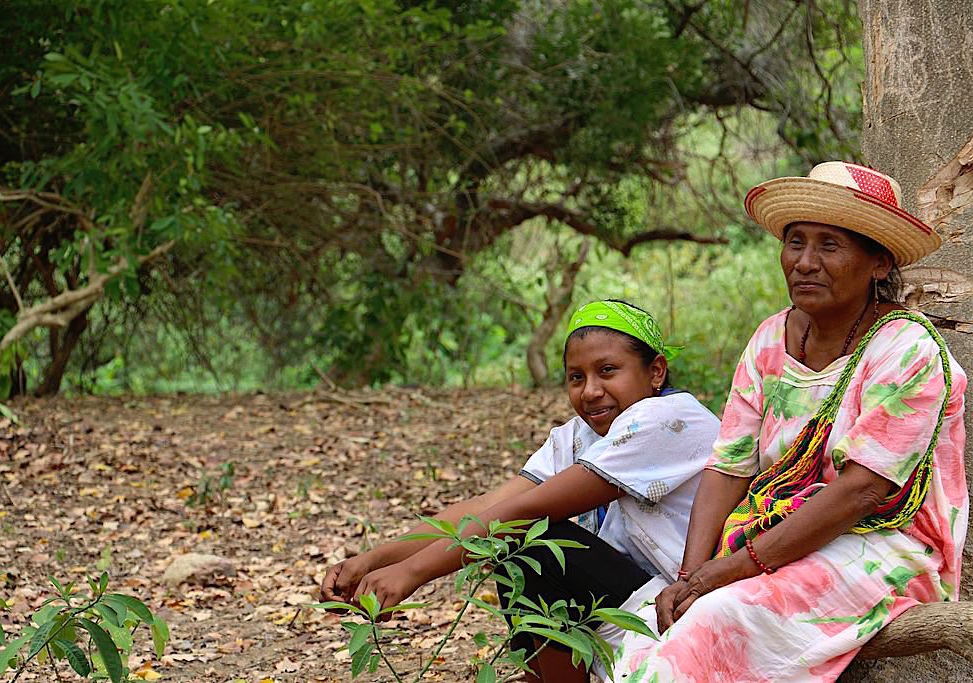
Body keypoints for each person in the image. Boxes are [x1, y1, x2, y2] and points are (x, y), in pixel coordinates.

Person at [609, 161, 968, 682]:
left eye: (829, 245)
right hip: (774, 534)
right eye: (795, 241)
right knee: (653, 627)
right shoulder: (770, 340)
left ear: (878, 262)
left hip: (886, 547)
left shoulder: (907, 350)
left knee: (716, 621)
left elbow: (861, 493)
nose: (804, 262)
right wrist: (690, 574)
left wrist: (729, 570)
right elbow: (729, 466)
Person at [320, 300, 720, 682]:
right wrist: (373, 560)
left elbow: (527, 511)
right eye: (576, 377)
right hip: (635, 601)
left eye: (608, 370)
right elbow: (490, 506)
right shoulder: (578, 435)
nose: (590, 390)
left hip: (684, 602)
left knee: (533, 540)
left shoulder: (668, 419)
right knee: (516, 549)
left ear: (656, 372)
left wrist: (412, 573)